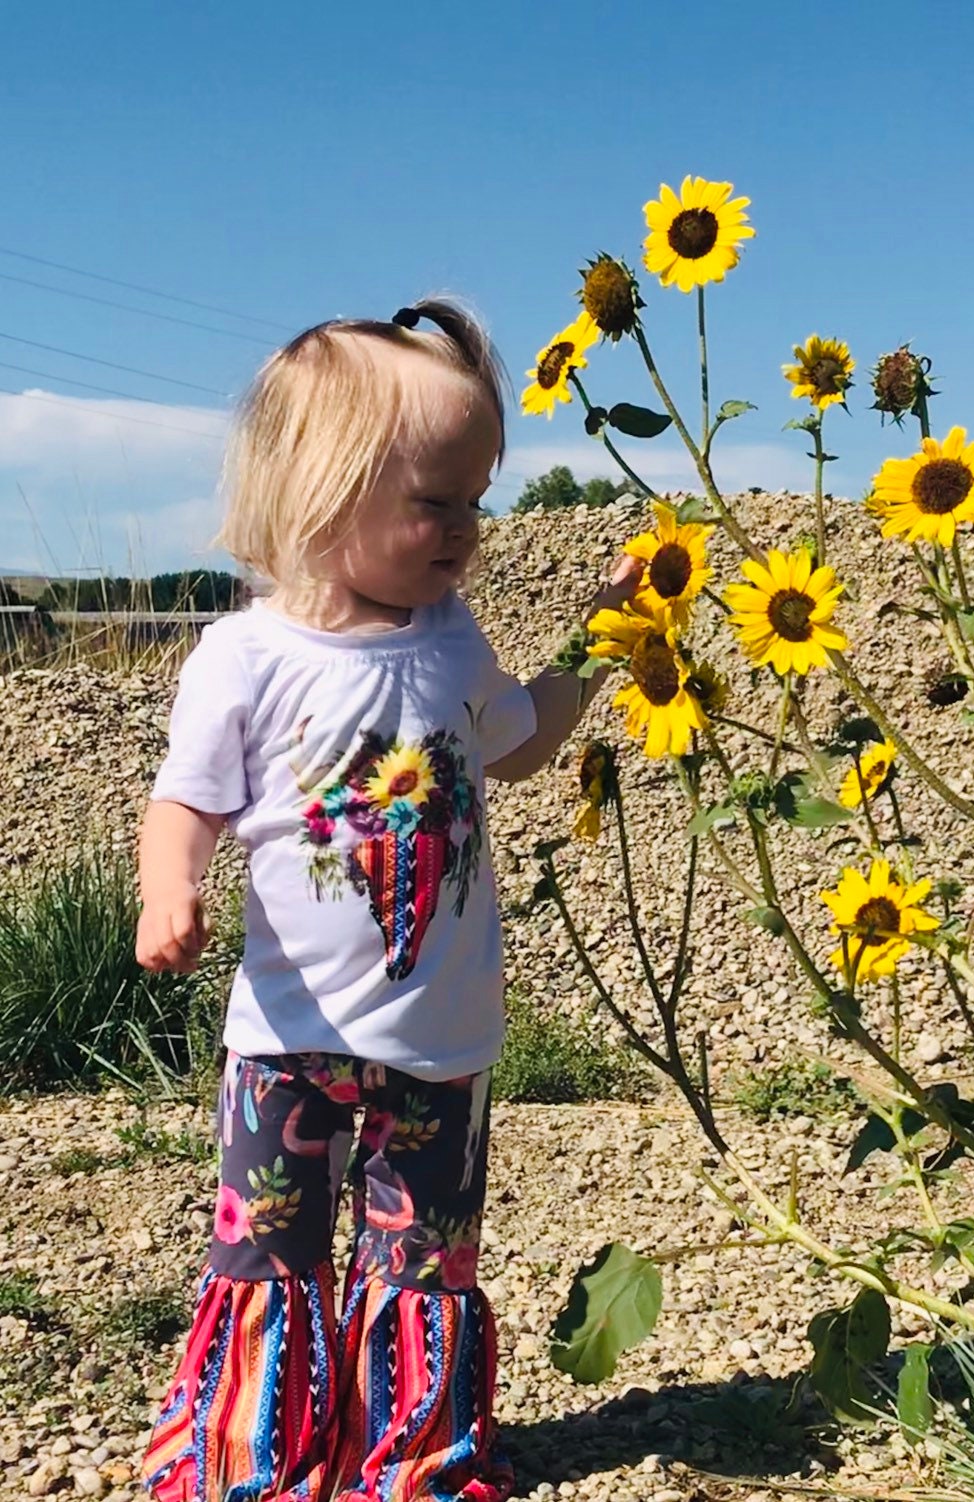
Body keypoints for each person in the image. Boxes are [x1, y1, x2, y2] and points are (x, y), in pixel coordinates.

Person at [135, 303, 640, 1502]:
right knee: (269, 1247)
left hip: (439, 1036)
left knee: (425, 1252)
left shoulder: (452, 641)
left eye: (476, 497)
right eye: (434, 501)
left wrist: (606, 636)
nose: (465, 527)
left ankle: (413, 1455)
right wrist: (170, 889)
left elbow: (518, 742)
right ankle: (247, 1456)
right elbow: (183, 802)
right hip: (286, 1032)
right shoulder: (244, 658)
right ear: (320, 494)